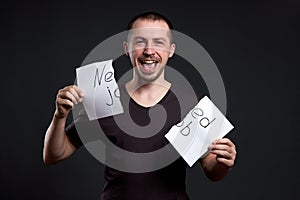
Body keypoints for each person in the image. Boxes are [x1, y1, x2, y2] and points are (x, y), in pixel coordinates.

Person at [43, 12, 237, 200]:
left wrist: (223, 162)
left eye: (159, 42)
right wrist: (60, 116)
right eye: (140, 42)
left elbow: (212, 170)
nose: (149, 51)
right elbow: (53, 155)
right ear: (127, 48)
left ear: (171, 50)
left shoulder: (191, 103)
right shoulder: (104, 98)